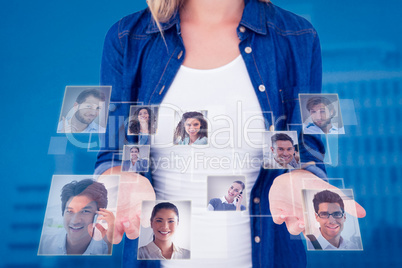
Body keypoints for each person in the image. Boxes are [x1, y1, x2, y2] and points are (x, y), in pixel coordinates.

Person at [95, 0, 366, 267]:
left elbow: (306, 151)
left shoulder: (298, 37)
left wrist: (304, 178)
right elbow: (113, 153)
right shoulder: (126, 38)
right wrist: (119, 183)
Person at [38, 179, 115, 255]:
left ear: (98, 215)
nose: (75, 221)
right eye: (70, 211)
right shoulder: (43, 245)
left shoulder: (106, 249)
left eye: (85, 211)